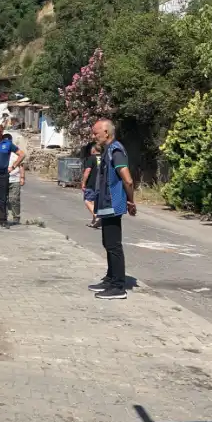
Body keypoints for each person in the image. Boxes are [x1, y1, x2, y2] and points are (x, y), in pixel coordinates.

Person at [87, 119, 136, 300]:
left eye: (96, 133)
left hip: (114, 203)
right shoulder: (107, 150)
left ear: (106, 132)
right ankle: (110, 279)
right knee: (108, 243)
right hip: (106, 204)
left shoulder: (116, 150)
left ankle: (118, 286)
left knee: (114, 244)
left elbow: (127, 180)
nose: (94, 136)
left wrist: (131, 201)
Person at [4, 133, 25, 224]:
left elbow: (21, 166)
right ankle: (3, 217)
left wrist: (22, 178)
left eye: (9, 141)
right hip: (3, 179)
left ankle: (16, 217)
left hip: (15, 179)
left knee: (14, 199)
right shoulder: (1, 153)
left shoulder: (16, 153)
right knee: (3, 199)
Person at [81, 143, 101, 228]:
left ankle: (97, 216)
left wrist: (83, 183)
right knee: (95, 203)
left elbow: (87, 171)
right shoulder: (103, 158)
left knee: (87, 201)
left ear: (93, 150)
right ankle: (94, 222)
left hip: (91, 183)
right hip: (101, 184)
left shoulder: (91, 158)